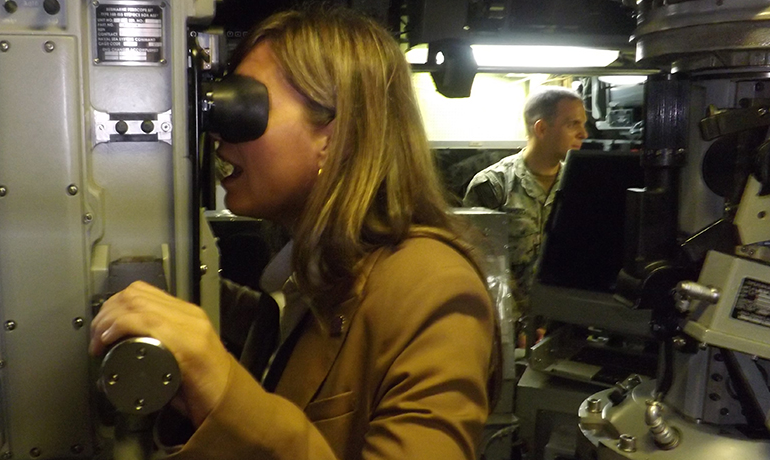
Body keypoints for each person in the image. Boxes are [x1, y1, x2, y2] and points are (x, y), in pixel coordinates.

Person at [90, 7, 499, 459]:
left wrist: (222, 383)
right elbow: (297, 342)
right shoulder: (316, 271)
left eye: (246, 105)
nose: (221, 136)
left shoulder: (434, 289)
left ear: (333, 134)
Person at [462, 87, 588, 319]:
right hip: (506, 326)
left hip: (566, 323)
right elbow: (478, 267)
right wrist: (516, 324)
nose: (584, 134)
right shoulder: (493, 185)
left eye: (583, 124)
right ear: (541, 128)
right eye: (573, 124)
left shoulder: (583, 186)